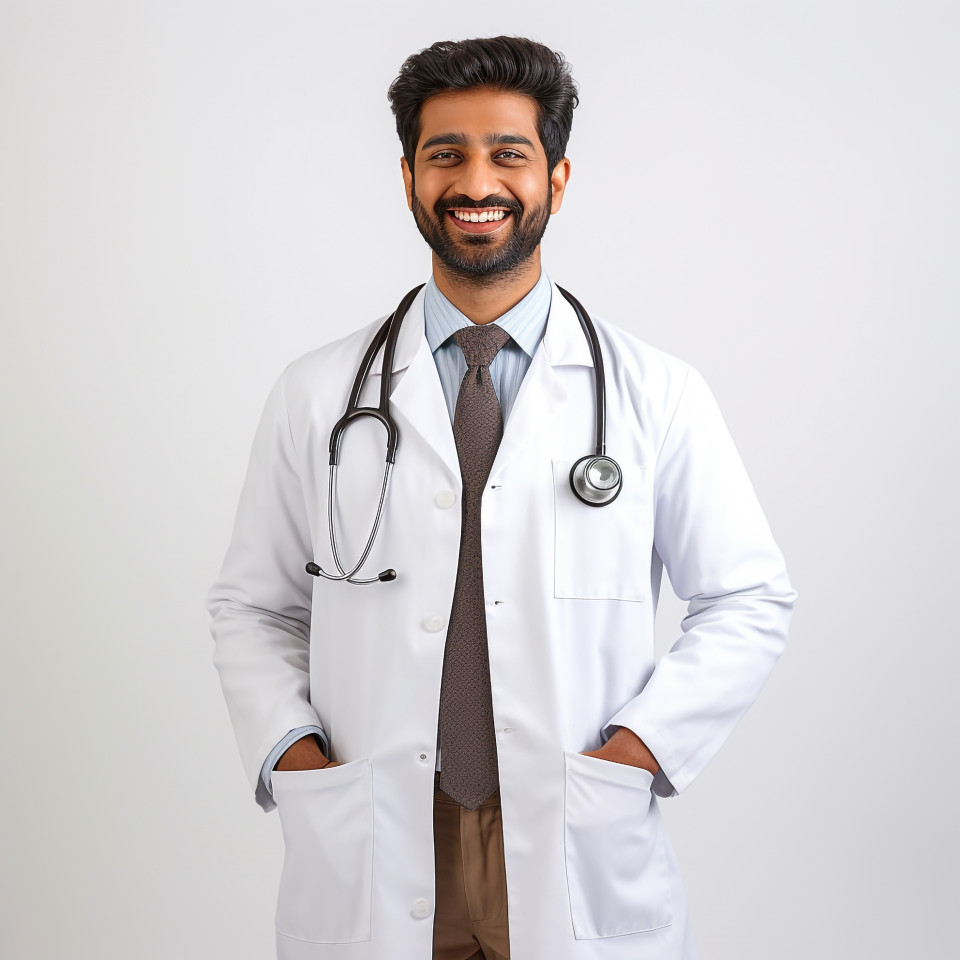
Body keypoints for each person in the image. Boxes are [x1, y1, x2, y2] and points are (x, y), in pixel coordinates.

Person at [207, 36, 797, 960]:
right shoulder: (316, 395)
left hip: (574, 829)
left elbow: (748, 597)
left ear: (556, 178)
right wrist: (293, 751)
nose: (475, 181)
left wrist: (639, 751)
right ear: (409, 178)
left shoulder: (657, 394)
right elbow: (254, 605)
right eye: (446, 154)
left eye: (507, 154)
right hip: (379, 830)